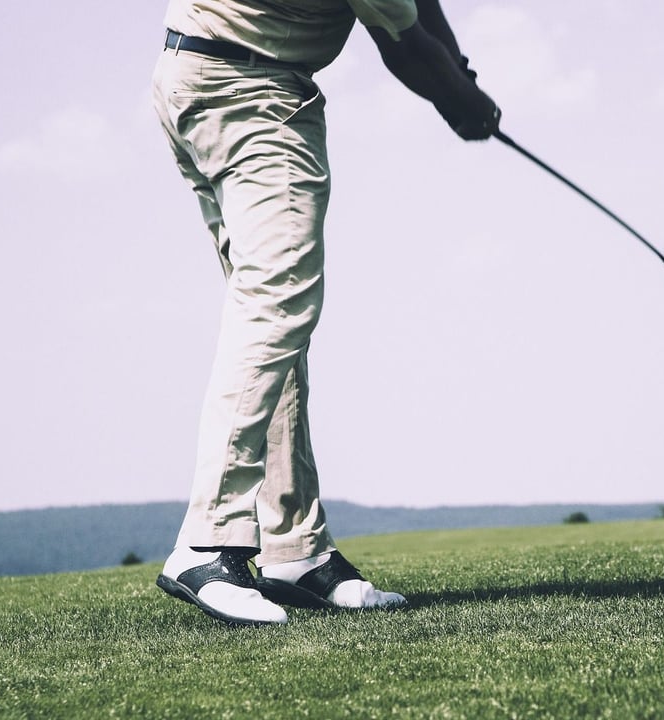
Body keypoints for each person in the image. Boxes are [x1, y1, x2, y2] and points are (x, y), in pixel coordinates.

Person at [150, 0, 500, 626]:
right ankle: (208, 540)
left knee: (274, 323)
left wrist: (462, 76)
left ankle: (295, 551)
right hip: (252, 92)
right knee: (277, 301)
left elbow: (419, 10)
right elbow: (406, 43)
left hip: (195, 75)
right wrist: (464, 101)